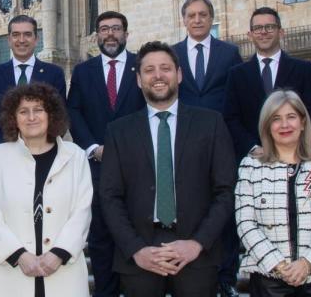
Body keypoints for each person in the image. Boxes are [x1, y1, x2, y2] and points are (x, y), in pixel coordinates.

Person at [100, 41, 236, 296]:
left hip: (196, 254)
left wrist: (198, 243)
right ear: (139, 80)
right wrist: (135, 249)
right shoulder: (118, 131)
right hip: (140, 256)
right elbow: (109, 196)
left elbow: (226, 190)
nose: (158, 75)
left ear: (179, 74)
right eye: (149, 70)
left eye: (165, 68)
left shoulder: (210, 123)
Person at [0, 83, 93, 297]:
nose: (31, 117)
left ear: (51, 114)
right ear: (14, 118)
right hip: (10, 274)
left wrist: (59, 253)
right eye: (23, 111)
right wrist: (19, 255)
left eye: (38, 110)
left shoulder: (75, 156)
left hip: (63, 272)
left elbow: (82, 210)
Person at [66, 10, 146, 297]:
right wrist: (91, 147)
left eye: (115, 29)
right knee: (100, 239)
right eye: (104, 29)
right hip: (97, 168)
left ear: (126, 33)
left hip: (139, 169)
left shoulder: (143, 66)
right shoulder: (83, 71)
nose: (110, 34)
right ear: (97, 35)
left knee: (138, 234)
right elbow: (73, 111)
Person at [235, 90, 311, 297]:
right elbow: (245, 223)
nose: (284, 125)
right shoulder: (250, 168)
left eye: (291, 117)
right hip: (268, 281)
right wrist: (278, 265)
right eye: (276, 119)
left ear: (303, 123)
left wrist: (306, 263)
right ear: (267, 126)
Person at [171, 0, 243, 297]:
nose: (197, 20)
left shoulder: (229, 53)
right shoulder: (172, 54)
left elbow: (237, 96)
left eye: (202, 14)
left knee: (224, 206)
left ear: (211, 18)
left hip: (221, 140)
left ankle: (226, 277)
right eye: (191, 15)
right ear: (184, 20)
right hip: (183, 142)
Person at [225, 7, 311, 159]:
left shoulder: (304, 69)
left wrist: (292, 142)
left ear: (281, 32)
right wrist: (253, 147)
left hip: (296, 154)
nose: (264, 32)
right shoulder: (237, 74)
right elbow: (231, 117)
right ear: (250, 35)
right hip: (254, 158)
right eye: (257, 28)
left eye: (270, 27)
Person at [0, 14, 66, 146]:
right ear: (9, 40)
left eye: (27, 34)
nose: (21, 40)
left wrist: (42, 145)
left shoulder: (54, 73)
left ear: (36, 39)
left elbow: (60, 114)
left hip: (43, 151)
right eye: (16, 35)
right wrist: (4, 147)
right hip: (4, 153)